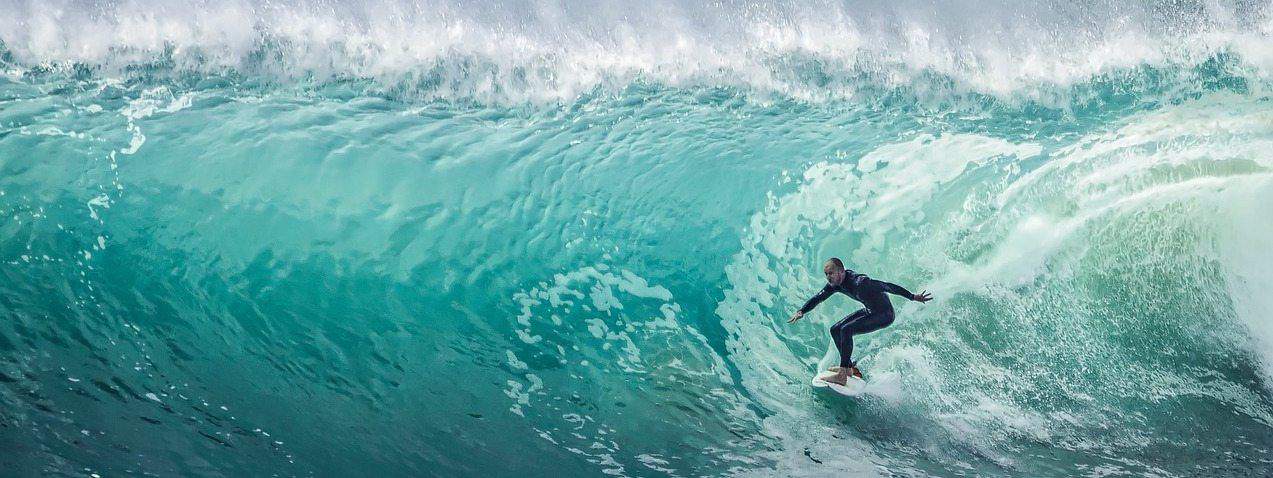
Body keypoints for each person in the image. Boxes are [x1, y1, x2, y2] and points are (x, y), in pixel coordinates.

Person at [788, 257, 932, 385]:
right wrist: (802, 311)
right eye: (826, 274)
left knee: (846, 329)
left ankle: (842, 374)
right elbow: (819, 297)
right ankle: (849, 368)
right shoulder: (835, 284)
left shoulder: (860, 282)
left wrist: (913, 296)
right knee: (835, 329)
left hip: (884, 315)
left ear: (841, 272)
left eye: (830, 273)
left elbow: (888, 286)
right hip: (870, 311)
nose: (828, 277)